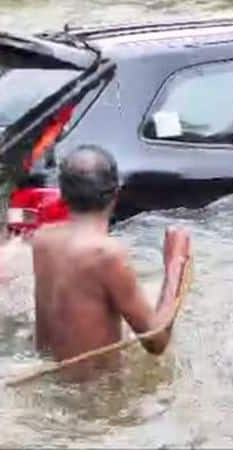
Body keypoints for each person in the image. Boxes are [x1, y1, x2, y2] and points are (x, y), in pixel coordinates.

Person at [30, 146, 192, 380]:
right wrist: (175, 263)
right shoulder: (106, 254)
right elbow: (156, 341)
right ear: (116, 193)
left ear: (62, 195)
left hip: (51, 380)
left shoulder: (42, 240)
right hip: (93, 399)